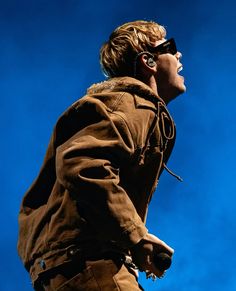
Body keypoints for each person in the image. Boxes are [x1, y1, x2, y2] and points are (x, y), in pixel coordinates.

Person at [18, 20, 186, 290]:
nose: (179, 55)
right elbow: (82, 165)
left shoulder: (129, 107)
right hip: (89, 261)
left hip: (69, 265)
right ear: (148, 62)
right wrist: (137, 236)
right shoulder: (132, 105)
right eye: (171, 48)